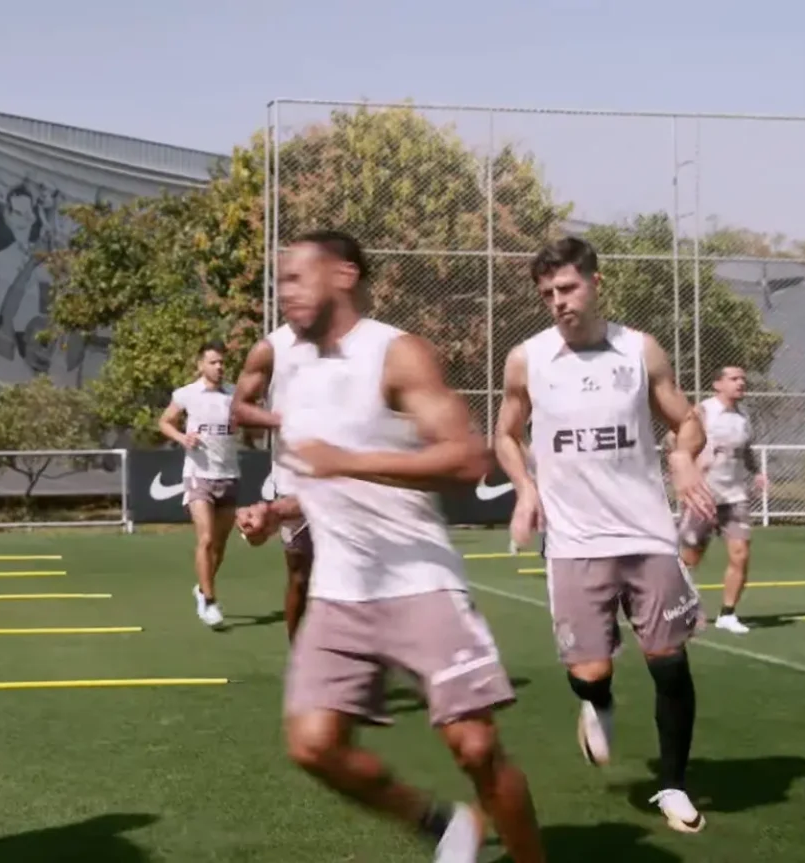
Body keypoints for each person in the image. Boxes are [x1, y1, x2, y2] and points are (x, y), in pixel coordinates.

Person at [239, 230, 545, 863]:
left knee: (476, 748)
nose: (284, 291)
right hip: (340, 593)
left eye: (297, 276)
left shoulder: (395, 353)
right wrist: (276, 511)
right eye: (281, 280)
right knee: (313, 745)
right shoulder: (294, 374)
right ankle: (443, 824)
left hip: (418, 582)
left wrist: (349, 462)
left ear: (344, 275)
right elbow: (323, 479)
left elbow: (467, 458)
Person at [493, 236, 716, 834]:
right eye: (547, 294)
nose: (558, 303)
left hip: (646, 535)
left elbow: (686, 420)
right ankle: (598, 705)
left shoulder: (639, 351)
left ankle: (672, 784)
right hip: (573, 544)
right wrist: (525, 488)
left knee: (669, 664)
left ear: (594, 281)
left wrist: (684, 458)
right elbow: (506, 434)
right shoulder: (528, 360)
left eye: (566, 288)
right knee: (588, 674)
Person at [232, 325, 315, 642]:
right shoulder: (272, 348)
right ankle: (301, 660)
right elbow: (241, 407)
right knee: (300, 577)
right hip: (292, 480)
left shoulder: (364, 342)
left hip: (347, 479)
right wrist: (280, 421)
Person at [674, 366, 765, 635]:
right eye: (734, 379)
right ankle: (682, 610)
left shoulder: (743, 417)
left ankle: (728, 614)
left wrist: (757, 472)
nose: (740, 383)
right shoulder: (703, 411)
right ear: (717, 384)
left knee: (741, 554)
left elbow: (746, 449)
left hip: (735, 497)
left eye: (743, 379)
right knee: (688, 558)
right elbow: (675, 441)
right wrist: (688, 468)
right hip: (703, 496)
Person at [158, 341, 240, 629]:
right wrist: (182, 438)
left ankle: (202, 587)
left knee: (219, 545)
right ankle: (209, 599)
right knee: (205, 540)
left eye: (222, 362)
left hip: (229, 474)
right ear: (200, 365)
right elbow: (165, 422)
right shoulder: (187, 394)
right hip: (198, 475)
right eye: (213, 362)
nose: (219, 367)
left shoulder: (234, 394)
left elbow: (247, 422)